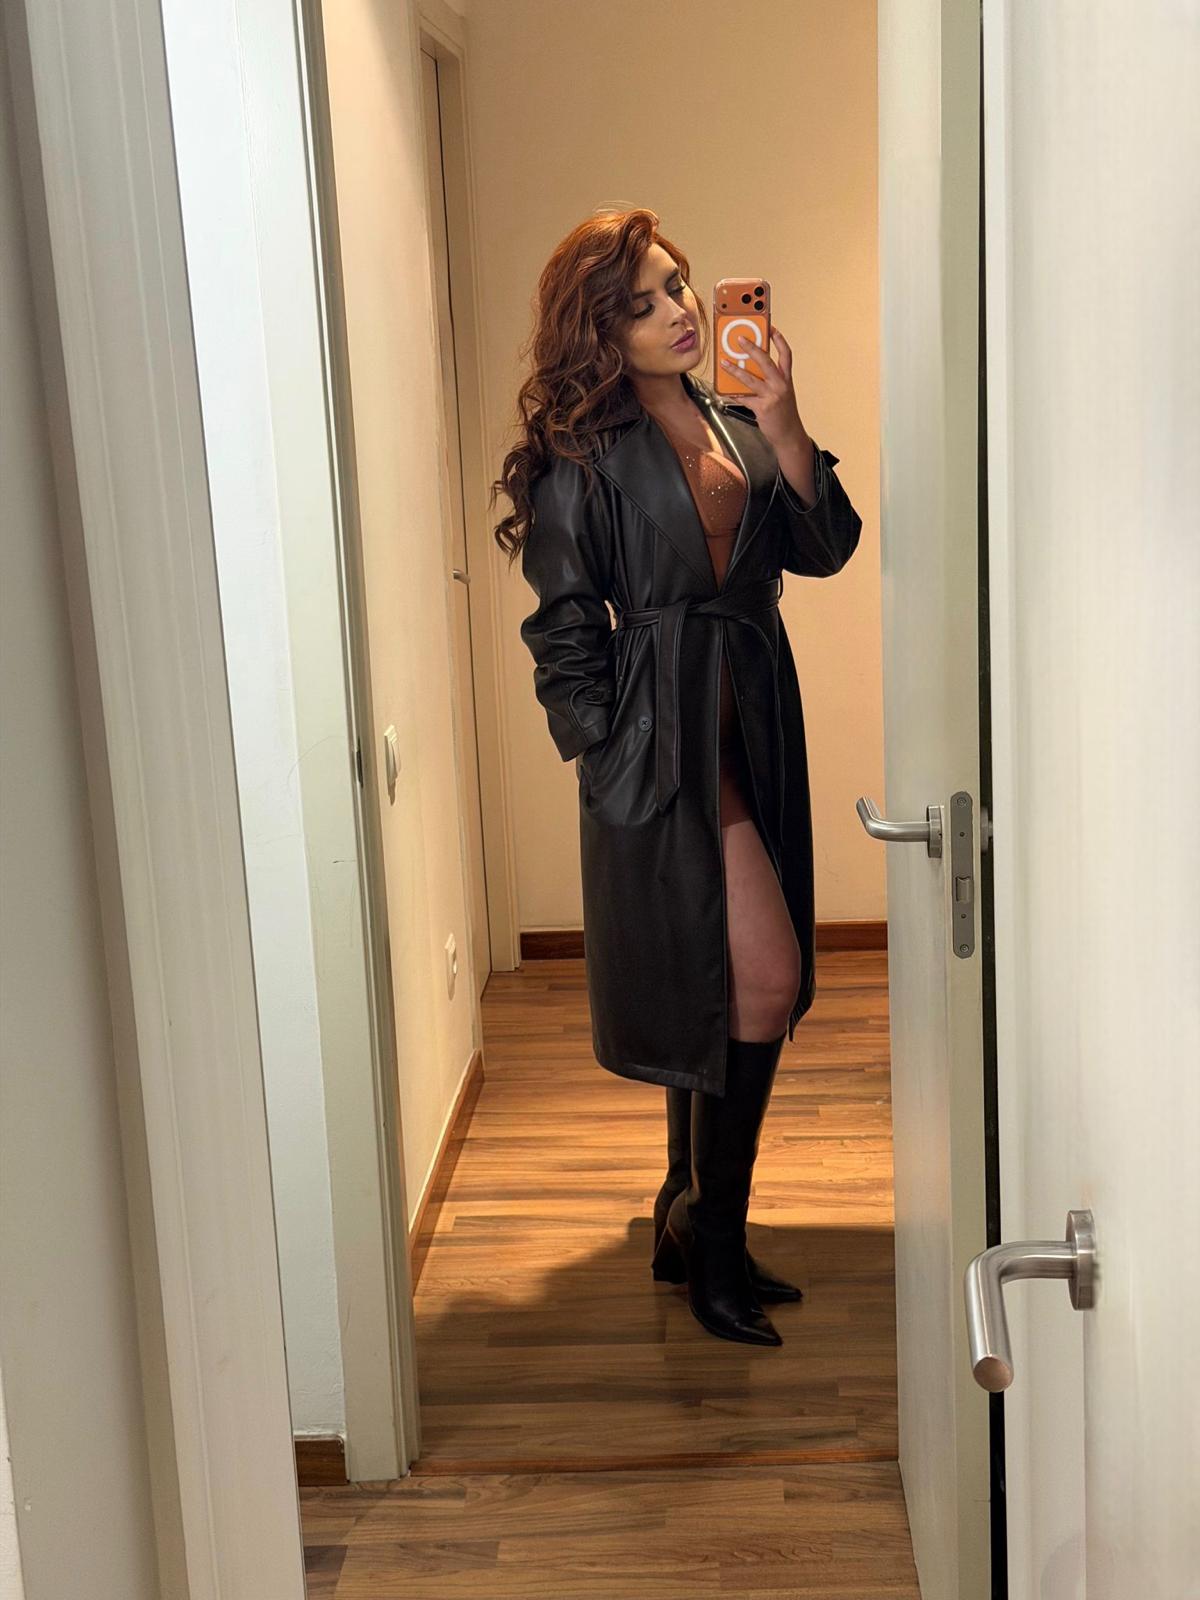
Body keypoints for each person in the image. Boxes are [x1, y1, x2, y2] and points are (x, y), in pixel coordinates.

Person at [492, 207, 863, 1346]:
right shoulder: (582, 456)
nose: (679, 311)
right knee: (762, 977)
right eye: (644, 302)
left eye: (680, 285)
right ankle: (714, 1241)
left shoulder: (733, 418)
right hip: (663, 741)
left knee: (723, 975)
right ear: (601, 331)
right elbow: (562, 627)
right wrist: (606, 749)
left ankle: (684, 1215)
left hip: (754, 722)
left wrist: (785, 421)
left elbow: (826, 546)